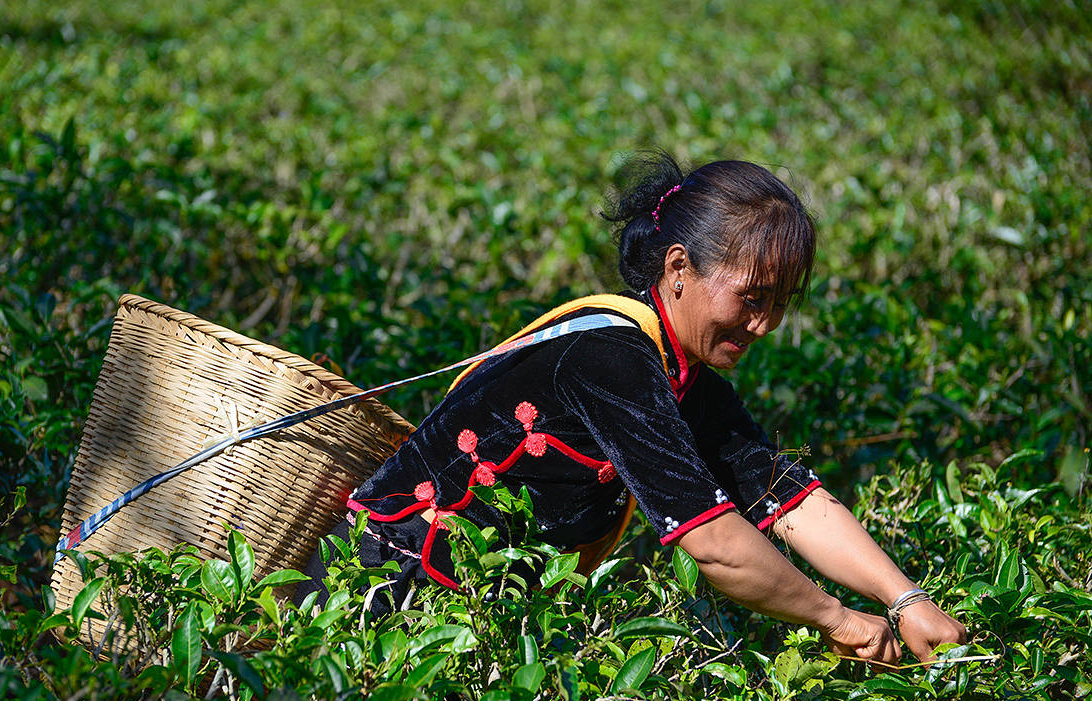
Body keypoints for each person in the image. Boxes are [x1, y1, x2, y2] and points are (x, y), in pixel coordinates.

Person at [297, 151, 967, 665]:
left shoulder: (684, 376)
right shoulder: (611, 356)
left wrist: (905, 598)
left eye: (780, 304)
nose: (764, 325)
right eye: (753, 297)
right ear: (680, 267)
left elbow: (785, 497)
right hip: (383, 592)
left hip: (466, 611)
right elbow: (714, 544)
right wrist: (837, 619)